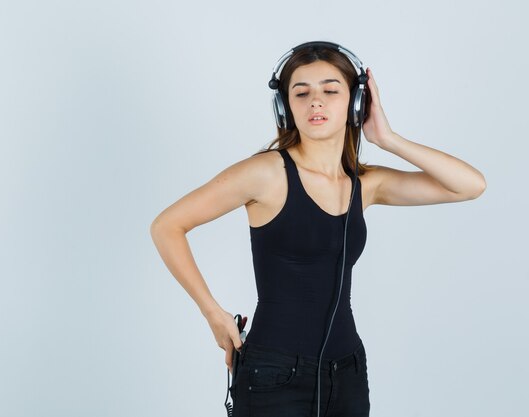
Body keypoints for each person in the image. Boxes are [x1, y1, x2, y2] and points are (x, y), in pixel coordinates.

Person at [150, 42, 486, 417]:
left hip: (348, 371)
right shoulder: (265, 174)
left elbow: (469, 185)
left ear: (357, 102)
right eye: (301, 92)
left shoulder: (366, 183)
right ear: (285, 105)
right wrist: (213, 313)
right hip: (273, 376)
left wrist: (388, 139)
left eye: (330, 90)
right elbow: (167, 226)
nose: (316, 102)